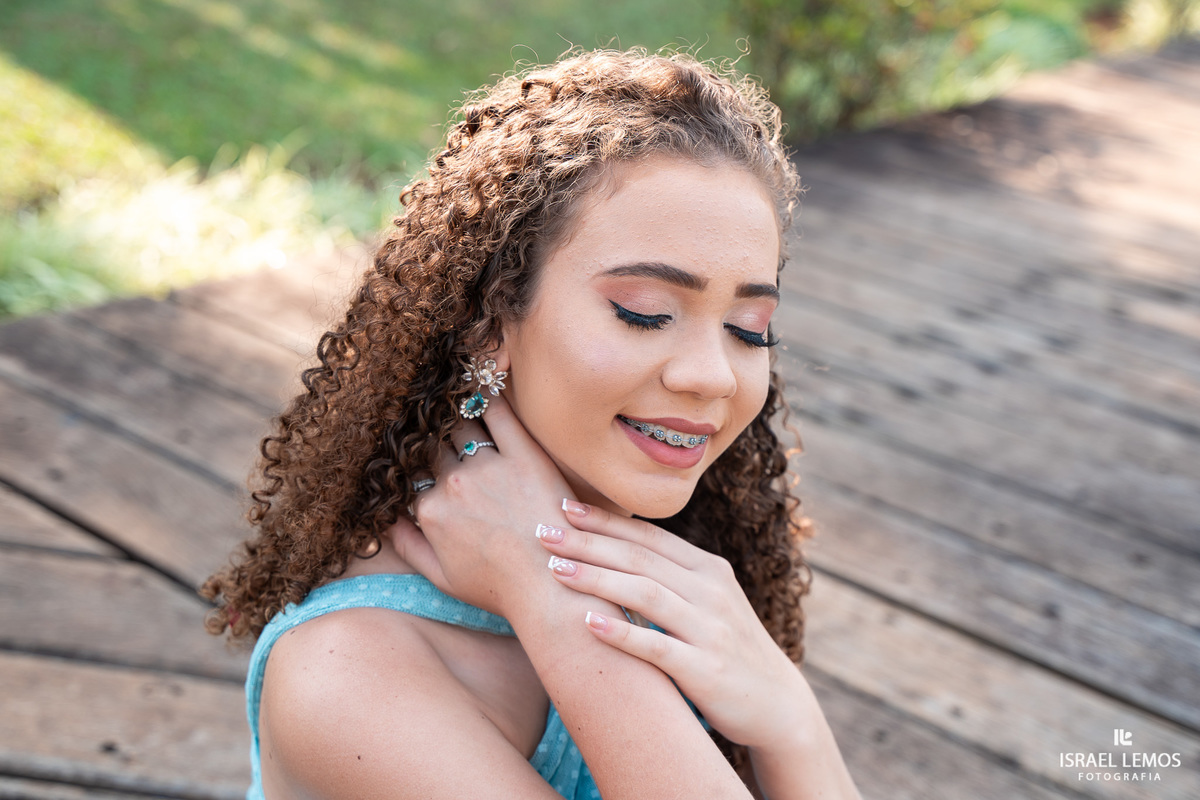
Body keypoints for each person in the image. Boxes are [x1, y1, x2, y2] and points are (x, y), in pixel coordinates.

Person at [203, 48, 863, 800]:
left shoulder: (664, 571)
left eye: (749, 328)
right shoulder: (348, 675)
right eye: (644, 313)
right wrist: (554, 606)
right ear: (491, 322)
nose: (711, 373)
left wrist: (790, 719)